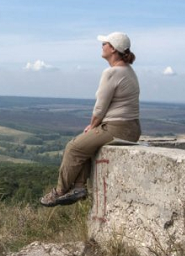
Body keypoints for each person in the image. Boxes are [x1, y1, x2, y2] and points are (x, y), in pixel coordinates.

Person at [40, 32, 141, 207]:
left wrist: (92, 125)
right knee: (85, 145)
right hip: (131, 127)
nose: (102, 46)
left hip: (117, 127)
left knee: (73, 147)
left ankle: (59, 192)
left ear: (114, 49)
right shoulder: (128, 71)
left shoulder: (111, 72)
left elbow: (100, 108)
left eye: (105, 43)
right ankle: (78, 187)